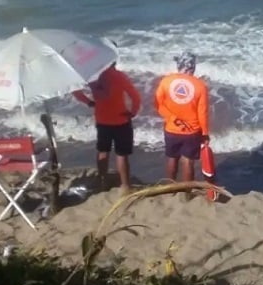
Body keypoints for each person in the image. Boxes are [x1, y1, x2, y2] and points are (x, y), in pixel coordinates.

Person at [73, 56, 141, 195]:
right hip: (121, 119)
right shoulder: (118, 76)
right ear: (114, 60)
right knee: (121, 155)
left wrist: (89, 102)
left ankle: (102, 180)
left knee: (103, 151)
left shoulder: (93, 77)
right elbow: (135, 96)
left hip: (102, 120)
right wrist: (132, 112)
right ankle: (125, 185)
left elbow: (75, 91)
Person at [154, 51, 210, 184]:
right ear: (193, 67)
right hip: (192, 131)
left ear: (179, 65)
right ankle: (186, 192)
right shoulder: (200, 86)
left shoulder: (166, 81)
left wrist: (172, 118)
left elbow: (158, 104)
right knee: (188, 161)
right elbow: (202, 112)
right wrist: (205, 133)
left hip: (171, 129)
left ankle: (169, 188)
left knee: (172, 158)